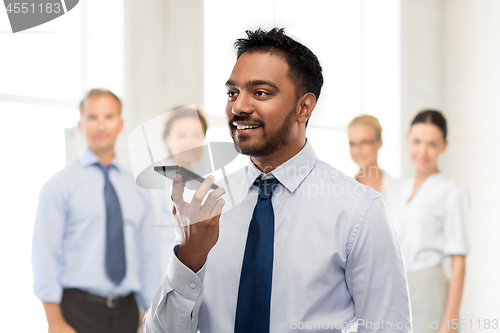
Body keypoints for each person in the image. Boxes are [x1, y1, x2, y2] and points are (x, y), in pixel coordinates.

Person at [144, 28, 411, 333]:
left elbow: (388, 327)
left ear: (304, 107)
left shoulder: (358, 211)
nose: (239, 107)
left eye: (260, 93)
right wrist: (189, 258)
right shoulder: (208, 207)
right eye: (233, 93)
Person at [32, 89, 162, 333]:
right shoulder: (60, 185)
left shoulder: (136, 189)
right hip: (76, 312)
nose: (101, 126)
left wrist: (148, 314)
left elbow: (147, 256)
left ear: (120, 123)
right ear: (81, 124)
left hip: (128, 312)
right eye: (92, 117)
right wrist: (54, 321)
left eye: (109, 117)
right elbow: (44, 255)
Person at [385, 110, 468, 333]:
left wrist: (449, 323)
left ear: (444, 146)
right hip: (396, 291)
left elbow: (458, 261)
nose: (422, 151)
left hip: (430, 291)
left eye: (432, 144)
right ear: (407, 140)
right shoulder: (395, 192)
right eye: (417, 141)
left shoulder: (452, 192)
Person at [153, 106, 210, 275]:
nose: (190, 142)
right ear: (167, 139)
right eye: (181, 135)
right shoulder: (156, 183)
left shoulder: (204, 181)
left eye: (196, 135)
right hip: (164, 279)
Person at [348, 114, 397, 197]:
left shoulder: (397, 191)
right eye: (352, 144)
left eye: (364, 142)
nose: (357, 150)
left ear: (379, 142)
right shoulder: (343, 190)